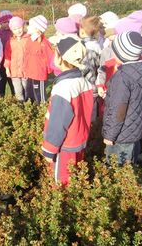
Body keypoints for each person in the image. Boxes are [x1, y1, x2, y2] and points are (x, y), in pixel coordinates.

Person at [42, 37, 93, 186]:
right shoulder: (84, 81)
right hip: (80, 140)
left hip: (64, 146)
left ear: (61, 58)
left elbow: (58, 122)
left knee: (61, 182)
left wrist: (50, 148)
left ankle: (63, 207)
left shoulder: (63, 88)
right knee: (76, 175)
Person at [102, 31, 142, 165]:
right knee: (130, 165)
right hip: (134, 131)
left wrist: (109, 135)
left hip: (120, 136)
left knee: (117, 168)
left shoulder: (122, 78)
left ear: (121, 55)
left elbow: (119, 111)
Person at [23, 15, 54, 103]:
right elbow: (26, 56)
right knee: (29, 92)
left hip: (39, 74)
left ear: (37, 29)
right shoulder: (29, 40)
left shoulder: (44, 43)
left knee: (39, 95)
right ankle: (29, 110)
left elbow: (50, 57)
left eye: (30, 25)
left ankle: (41, 109)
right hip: (30, 72)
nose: (28, 27)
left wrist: (48, 70)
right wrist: (25, 68)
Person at [79, 16, 103, 120]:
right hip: (94, 86)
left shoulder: (87, 48)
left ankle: (92, 132)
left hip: (88, 87)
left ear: (83, 31)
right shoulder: (97, 45)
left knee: (88, 116)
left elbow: (86, 69)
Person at [0, 10, 15, 96]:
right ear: (0, 22)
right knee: (1, 84)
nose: (7, 24)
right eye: (4, 22)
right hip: (0, 63)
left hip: (11, 63)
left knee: (13, 84)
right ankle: (1, 99)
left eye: (9, 22)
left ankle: (16, 99)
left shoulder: (14, 33)